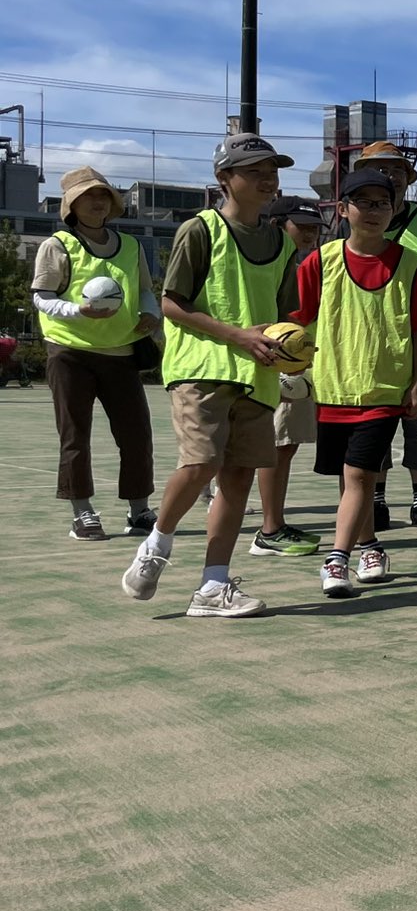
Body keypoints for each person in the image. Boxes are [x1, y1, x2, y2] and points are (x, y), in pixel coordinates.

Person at [122, 133, 298, 618]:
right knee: (201, 464)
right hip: (201, 370)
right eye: (255, 171)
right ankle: (157, 544)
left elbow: (283, 316)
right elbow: (171, 304)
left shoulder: (282, 243)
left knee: (238, 477)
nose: (268, 180)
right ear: (225, 178)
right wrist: (238, 335)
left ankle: (212, 587)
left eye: (272, 172)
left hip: (257, 377)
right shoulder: (200, 230)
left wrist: (291, 350)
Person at [287, 168, 417, 598]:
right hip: (332, 387)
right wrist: (287, 364)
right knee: (352, 478)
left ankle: (337, 559)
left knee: (359, 475)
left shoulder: (411, 264)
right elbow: (296, 320)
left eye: (382, 203)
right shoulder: (320, 261)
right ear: (343, 208)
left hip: (384, 389)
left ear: (394, 209)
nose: (374, 210)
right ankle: (370, 546)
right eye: (363, 202)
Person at [32, 166, 161, 541]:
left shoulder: (132, 246)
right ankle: (82, 512)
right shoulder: (57, 245)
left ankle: (139, 510)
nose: (98, 201)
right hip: (69, 352)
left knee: (136, 435)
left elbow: (145, 290)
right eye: (88, 195)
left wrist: (150, 313)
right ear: (71, 204)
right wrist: (78, 311)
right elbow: (42, 296)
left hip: (121, 353)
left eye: (103, 194)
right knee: (75, 436)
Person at [348, 141, 417, 533]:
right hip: (370, 340)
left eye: (396, 170)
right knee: (375, 419)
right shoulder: (352, 226)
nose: (389, 177)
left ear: (407, 179)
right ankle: (377, 501)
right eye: (380, 170)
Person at [250, 196, 327, 556]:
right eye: (302, 226)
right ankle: (269, 529)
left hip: (297, 366)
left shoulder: (300, 263)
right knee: (277, 448)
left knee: (285, 447)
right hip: (277, 365)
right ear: (277, 225)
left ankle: (273, 524)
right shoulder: (278, 265)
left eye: (315, 228)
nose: (310, 233)